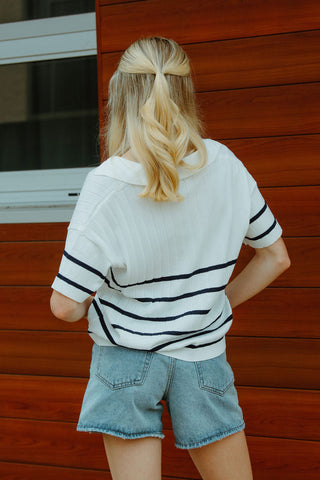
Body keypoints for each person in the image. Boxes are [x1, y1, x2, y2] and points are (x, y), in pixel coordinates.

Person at [50, 37, 290, 480]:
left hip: (124, 358)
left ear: (119, 93)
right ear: (186, 93)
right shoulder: (226, 165)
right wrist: (212, 305)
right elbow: (275, 257)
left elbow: (65, 305)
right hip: (204, 354)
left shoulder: (107, 185)